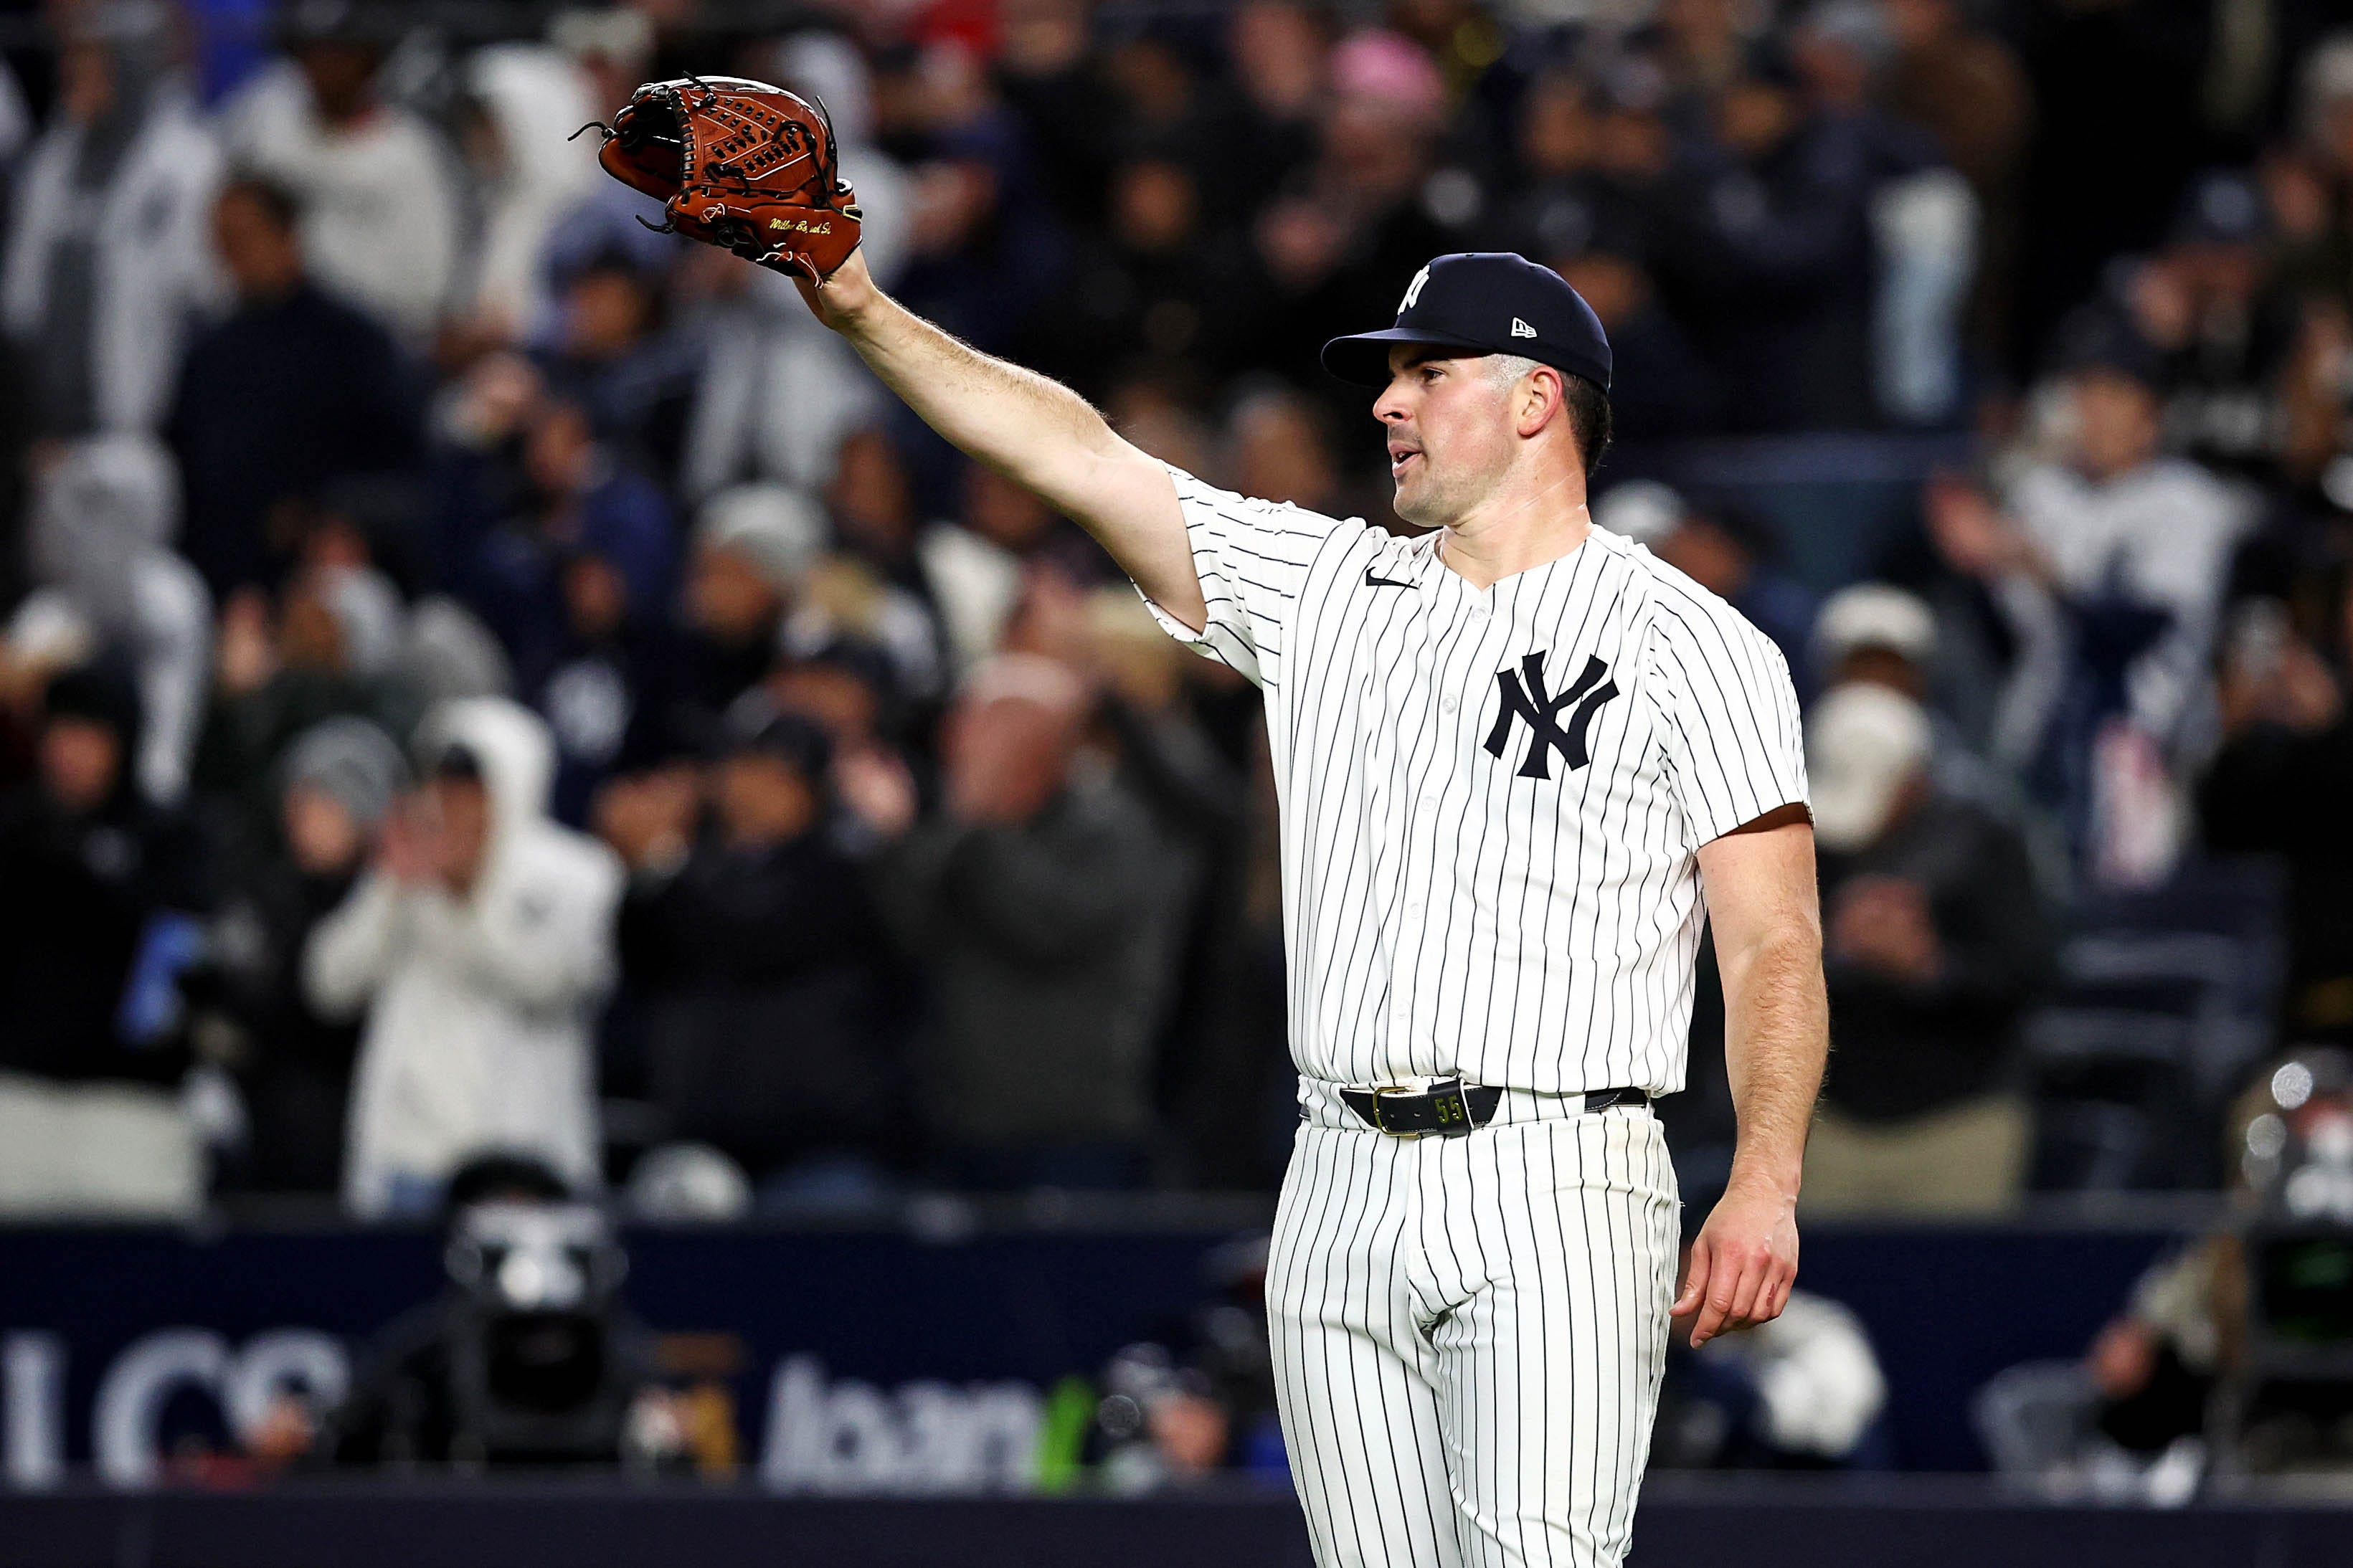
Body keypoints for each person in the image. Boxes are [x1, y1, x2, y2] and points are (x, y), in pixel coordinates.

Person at [785, 237, 1823, 1564]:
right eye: (1387, 379)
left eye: (1425, 373)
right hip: (1333, 1168)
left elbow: (1776, 936)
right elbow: (1079, 455)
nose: (1385, 403)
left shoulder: (1694, 642)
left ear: (1534, 400)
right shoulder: (1325, 587)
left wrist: (1766, 1178)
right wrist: (861, 307)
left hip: (1557, 1174)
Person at [304, 698, 622, 1218]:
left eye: (473, 785)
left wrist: (460, 898)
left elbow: (548, 983)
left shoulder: (576, 874)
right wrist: (387, 892)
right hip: (408, 1158)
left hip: (525, 1163)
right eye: (444, 783)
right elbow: (329, 983)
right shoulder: (410, 869)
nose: (456, 802)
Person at [871, 654, 1178, 1189]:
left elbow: (1050, 927)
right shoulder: (957, 831)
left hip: (1074, 1128)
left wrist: (980, 827)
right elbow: (905, 931)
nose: (962, 739)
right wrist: (896, 841)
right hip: (959, 1124)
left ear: (1049, 740)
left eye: (989, 724)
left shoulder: (1111, 828)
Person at [1802, 683, 2050, 1215]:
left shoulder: (1986, 845)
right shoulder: (1802, 844)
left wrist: (1928, 968)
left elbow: (2032, 977)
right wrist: (1828, 953)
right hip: (1832, 1121)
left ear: (1913, 780)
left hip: (1958, 1123)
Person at [0, 661, 208, 1216]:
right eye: (61, 732)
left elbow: (185, 967)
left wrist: (95, 869)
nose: (72, 751)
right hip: (17, 1101)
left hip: (132, 1115)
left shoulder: (173, 841)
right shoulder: (15, 833)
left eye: (91, 734)